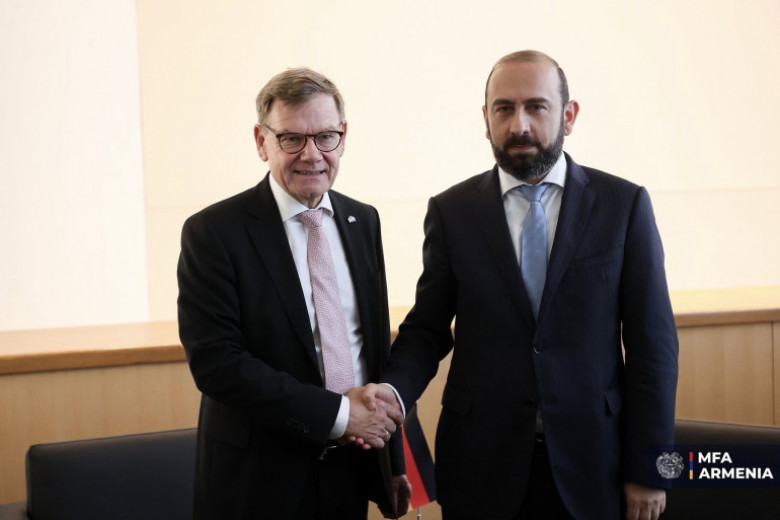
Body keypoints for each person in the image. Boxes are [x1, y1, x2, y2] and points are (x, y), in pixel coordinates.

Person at [361, 50, 679, 520]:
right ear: (485, 119)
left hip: (597, 466)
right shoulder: (452, 212)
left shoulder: (623, 205)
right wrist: (392, 392)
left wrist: (652, 469)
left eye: (536, 107)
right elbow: (427, 330)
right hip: (480, 468)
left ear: (568, 116)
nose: (519, 125)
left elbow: (654, 347)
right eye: (504, 109)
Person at [177, 67, 410, 520]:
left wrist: (392, 461)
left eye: (325, 137)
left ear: (343, 137)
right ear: (261, 141)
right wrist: (338, 415)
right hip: (259, 480)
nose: (312, 154)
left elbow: (373, 350)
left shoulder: (363, 221)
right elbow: (217, 363)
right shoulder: (214, 232)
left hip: (351, 469)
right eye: (291, 139)